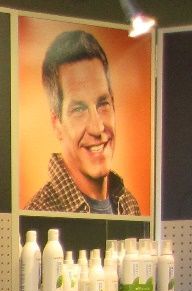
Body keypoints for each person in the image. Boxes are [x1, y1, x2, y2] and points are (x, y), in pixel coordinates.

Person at [25, 30, 140, 214]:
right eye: (79, 109)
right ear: (56, 124)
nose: (97, 127)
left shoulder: (128, 204)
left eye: (103, 104)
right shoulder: (40, 212)